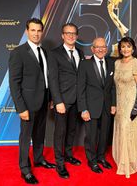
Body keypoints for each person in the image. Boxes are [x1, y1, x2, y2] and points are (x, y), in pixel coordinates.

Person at [8, 18, 56, 184]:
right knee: (25, 136)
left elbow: (46, 78)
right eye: (33, 30)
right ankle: (25, 169)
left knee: (39, 134)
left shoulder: (45, 52)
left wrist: (49, 99)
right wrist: (20, 107)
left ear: (42, 32)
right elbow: (14, 83)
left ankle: (38, 158)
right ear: (27, 31)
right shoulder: (18, 52)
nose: (36, 33)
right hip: (27, 104)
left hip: (43, 101)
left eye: (39, 30)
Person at [48, 23, 85, 179]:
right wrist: (57, 101)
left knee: (71, 130)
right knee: (60, 132)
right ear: (62, 35)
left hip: (77, 99)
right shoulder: (54, 53)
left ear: (76, 36)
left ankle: (69, 155)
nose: (71, 36)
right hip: (62, 100)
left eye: (73, 33)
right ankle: (60, 163)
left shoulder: (80, 52)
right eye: (67, 33)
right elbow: (53, 79)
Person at [77, 37, 116, 174]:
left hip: (106, 107)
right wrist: (83, 109)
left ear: (106, 48)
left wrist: (113, 104)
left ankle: (101, 157)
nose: (101, 49)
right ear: (92, 49)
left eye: (103, 47)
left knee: (104, 135)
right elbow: (80, 88)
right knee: (91, 136)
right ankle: (92, 161)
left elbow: (112, 87)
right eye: (97, 47)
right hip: (90, 107)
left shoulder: (112, 63)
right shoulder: (85, 64)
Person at [112, 37, 137, 178]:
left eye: (128, 46)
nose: (125, 49)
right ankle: (121, 160)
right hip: (119, 103)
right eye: (123, 46)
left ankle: (130, 162)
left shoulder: (136, 63)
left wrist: (136, 107)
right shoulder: (117, 63)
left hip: (131, 103)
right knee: (120, 129)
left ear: (133, 48)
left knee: (127, 130)